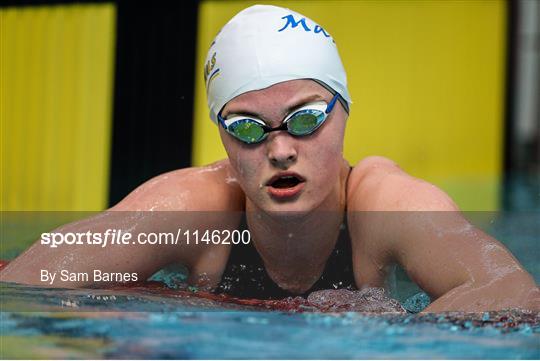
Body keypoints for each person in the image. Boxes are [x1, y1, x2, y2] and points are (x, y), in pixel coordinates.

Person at [1, 5, 538, 312]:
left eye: (305, 120)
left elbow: (513, 292)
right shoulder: (196, 206)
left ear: (344, 112)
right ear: (223, 137)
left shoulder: (387, 202)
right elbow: (23, 284)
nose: (280, 150)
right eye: (247, 128)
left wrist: (386, 337)